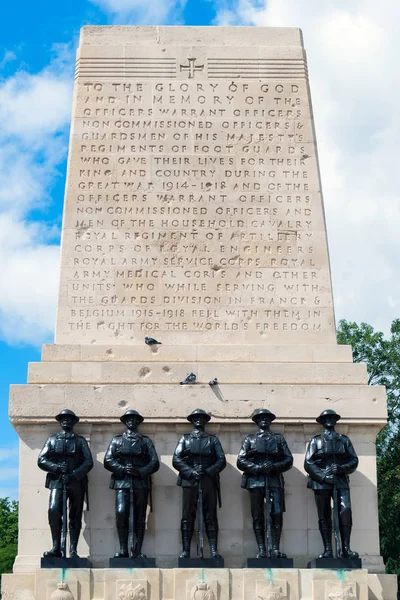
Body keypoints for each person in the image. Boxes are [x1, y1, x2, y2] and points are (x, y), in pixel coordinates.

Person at [237, 408, 293, 558]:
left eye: (267, 418)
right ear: (256, 421)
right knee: (258, 515)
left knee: (276, 513)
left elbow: (288, 459)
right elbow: (241, 461)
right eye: (261, 418)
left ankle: (275, 548)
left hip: (273, 480)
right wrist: (256, 467)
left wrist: (274, 466)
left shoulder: (278, 439)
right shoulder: (249, 439)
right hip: (255, 481)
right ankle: (262, 548)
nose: (264, 420)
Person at [104, 409, 159, 558]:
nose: (131, 421)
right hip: (122, 482)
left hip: (140, 482)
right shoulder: (117, 440)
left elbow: (154, 462)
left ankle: (138, 549)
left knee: (140, 516)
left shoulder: (145, 441)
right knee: (121, 513)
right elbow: (108, 460)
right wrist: (122, 469)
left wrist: (140, 471)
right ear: (125, 421)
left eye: (134, 419)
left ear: (138, 422)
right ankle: (123, 549)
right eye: (128, 419)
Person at [38, 409, 93, 558]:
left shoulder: (80, 440)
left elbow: (88, 462)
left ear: (74, 422)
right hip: (57, 481)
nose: (66, 421)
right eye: (63, 418)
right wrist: (56, 468)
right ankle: (56, 547)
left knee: (75, 515)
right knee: (54, 510)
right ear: (60, 421)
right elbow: (41, 460)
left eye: (69, 419)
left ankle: (73, 549)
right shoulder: (52, 439)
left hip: (76, 482)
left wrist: (74, 475)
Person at [304, 409, 359, 559]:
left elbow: (354, 460)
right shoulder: (316, 441)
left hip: (340, 480)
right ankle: (328, 549)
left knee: (345, 511)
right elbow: (308, 463)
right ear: (321, 421)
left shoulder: (344, 440)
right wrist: (323, 477)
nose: (329, 420)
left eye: (332, 418)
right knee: (324, 515)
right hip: (321, 482)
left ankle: (346, 548)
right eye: (326, 418)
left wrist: (342, 468)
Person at [173, 408, 226, 559]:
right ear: (191, 421)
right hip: (190, 480)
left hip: (208, 480)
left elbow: (221, 460)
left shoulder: (212, 440)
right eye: (196, 418)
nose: (199, 420)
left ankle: (214, 550)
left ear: (205, 421)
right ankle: (186, 550)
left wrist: (208, 470)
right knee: (187, 515)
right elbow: (176, 459)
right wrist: (191, 472)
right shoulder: (185, 439)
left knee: (210, 515)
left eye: (202, 418)